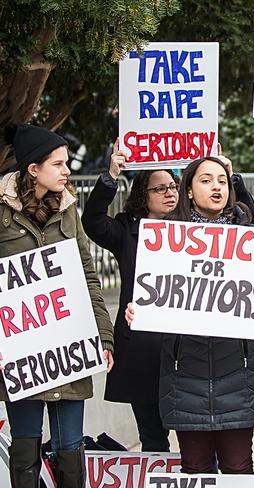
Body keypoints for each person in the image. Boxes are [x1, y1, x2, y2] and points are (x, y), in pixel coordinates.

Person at [81, 142, 254, 453]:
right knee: (153, 438)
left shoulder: (200, 228)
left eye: (173, 186)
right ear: (143, 196)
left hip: (189, 353)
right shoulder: (126, 230)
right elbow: (93, 222)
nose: (169, 193)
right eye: (159, 188)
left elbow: (248, 226)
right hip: (144, 352)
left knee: (201, 443)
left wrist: (231, 178)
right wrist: (110, 176)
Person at [125, 156, 254, 474]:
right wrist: (140, 311)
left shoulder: (251, 238)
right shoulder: (164, 241)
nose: (216, 186)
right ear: (187, 190)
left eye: (222, 181)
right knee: (195, 468)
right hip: (185, 376)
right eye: (206, 180)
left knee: (239, 468)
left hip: (238, 376)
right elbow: (155, 298)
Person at [0, 123, 114, 487]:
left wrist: (104, 337)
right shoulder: (1, 212)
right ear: (33, 169)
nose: (68, 171)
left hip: (68, 348)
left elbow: (87, 275)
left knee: (70, 447)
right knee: (25, 446)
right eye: (59, 164)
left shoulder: (67, 211)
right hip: (20, 353)